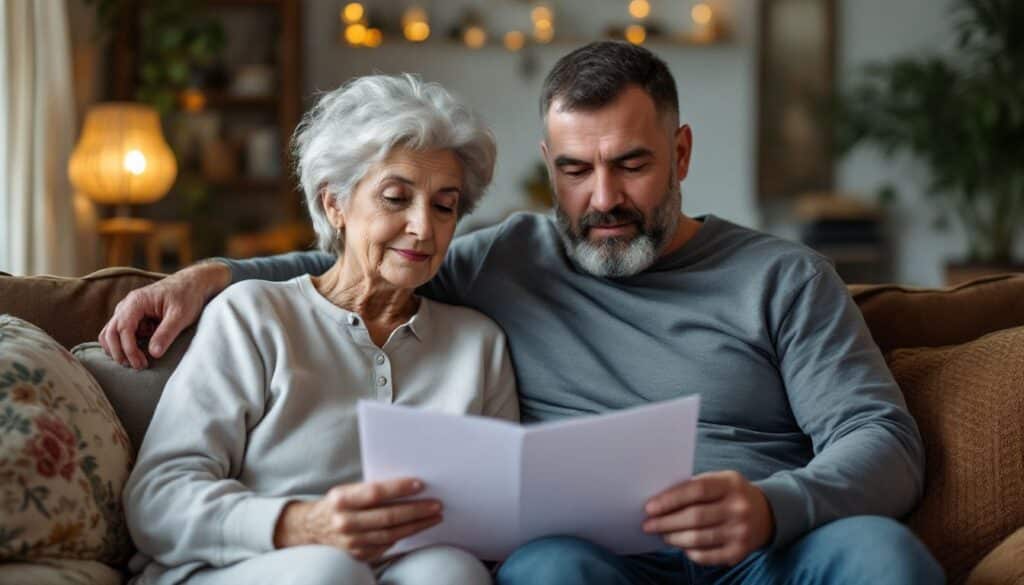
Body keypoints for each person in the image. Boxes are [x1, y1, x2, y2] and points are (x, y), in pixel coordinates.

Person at [106, 43, 944, 584]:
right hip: (596, 559)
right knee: (541, 572)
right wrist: (208, 276)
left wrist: (775, 506)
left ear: (681, 152)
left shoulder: (783, 276)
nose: (603, 198)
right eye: (576, 169)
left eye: (634, 164)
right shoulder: (506, 255)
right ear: (549, 165)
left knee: (883, 555)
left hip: (767, 547)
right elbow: (362, 263)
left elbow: (885, 442)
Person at [122, 74, 518, 585]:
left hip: (401, 564)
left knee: (451, 573)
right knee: (330, 572)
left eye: (444, 205)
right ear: (335, 204)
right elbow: (159, 496)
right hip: (241, 564)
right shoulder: (253, 316)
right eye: (396, 198)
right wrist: (300, 524)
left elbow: (504, 507)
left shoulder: (478, 344)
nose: (424, 226)